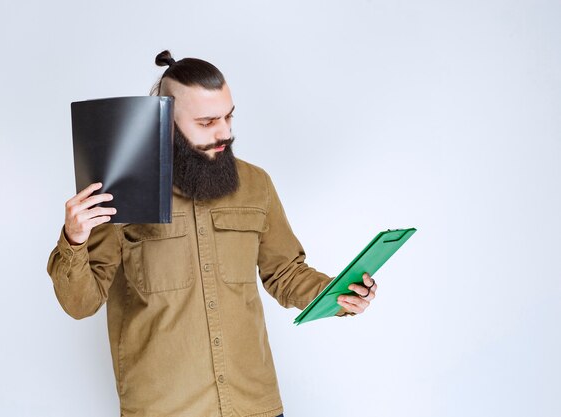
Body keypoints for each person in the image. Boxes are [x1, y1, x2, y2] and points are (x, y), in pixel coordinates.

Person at [47, 50, 377, 417]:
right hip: (164, 408)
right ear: (166, 122)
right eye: (206, 122)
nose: (225, 133)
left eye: (228, 116)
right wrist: (75, 239)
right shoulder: (118, 191)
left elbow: (284, 273)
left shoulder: (257, 184)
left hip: (253, 403)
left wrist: (338, 294)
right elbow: (80, 303)